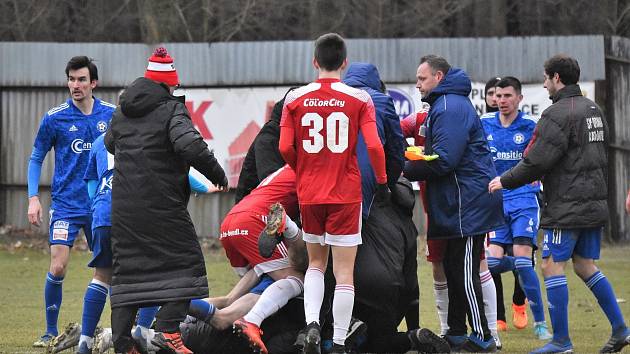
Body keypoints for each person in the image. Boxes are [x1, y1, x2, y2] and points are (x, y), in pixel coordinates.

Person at [489, 54, 630, 354]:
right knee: (584, 265)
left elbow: (537, 161)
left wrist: (505, 180)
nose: (544, 83)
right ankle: (620, 330)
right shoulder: (594, 109)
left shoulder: (557, 114)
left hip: (567, 207)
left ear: (556, 78)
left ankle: (561, 341)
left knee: (552, 266)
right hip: (593, 203)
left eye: (545, 77)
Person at [104, 47, 228, 354]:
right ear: (168, 83)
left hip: (123, 210)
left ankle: (123, 345)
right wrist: (217, 173)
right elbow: (190, 145)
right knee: (188, 264)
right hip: (161, 205)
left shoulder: (122, 112)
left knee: (127, 274)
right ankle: (168, 329)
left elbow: (109, 142)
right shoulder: (171, 109)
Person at [278, 33, 389, 354]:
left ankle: (311, 323)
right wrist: (381, 179)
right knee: (343, 272)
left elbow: (284, 146)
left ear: (315, 62)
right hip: (345, 193)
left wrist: (302, 168)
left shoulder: (295, 98)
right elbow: (373, 145)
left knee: (315, 263)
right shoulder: (359, 98)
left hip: (310, 192)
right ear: (344, 63)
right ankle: (339, 341)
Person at [404, 54, 504, 353]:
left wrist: (406, 165)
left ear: (439, 77)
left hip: (468, 202)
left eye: (422, 78)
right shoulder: (444, 104)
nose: (418, 84)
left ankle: (484, 336)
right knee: (451, 266)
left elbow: (445, 159)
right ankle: (457, 333)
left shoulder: (449, 106)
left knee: (465, 271)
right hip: (457, 201)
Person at [27, 56, 116, 348]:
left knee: (108, 270)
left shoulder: (112, 115)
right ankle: (49, 332)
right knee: (58, 267)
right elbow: (36, 157)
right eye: (71, 79)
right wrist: (33, 198)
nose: (75, 85)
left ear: (93, 83)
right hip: (65, 204)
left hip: (100, 205)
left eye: (81, 79)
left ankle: (111, 330)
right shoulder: (55, 117)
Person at [481, 77, 553, 342]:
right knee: (491, 264)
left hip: (523, 200)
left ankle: (541, 324)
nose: (502, 100)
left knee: (522, 260)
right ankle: (492, 319)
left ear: (519, 98)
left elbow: (538, 163)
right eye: (498, 96)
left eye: (508, 96)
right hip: (496, 203)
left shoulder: (530, 128)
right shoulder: (484, 125)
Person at [342, 62, 404, 218]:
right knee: (350, 239)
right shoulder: (380, 101)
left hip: (321, 184)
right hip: (361, 184)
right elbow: (395, 150)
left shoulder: (331, 98)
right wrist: (387, 184)